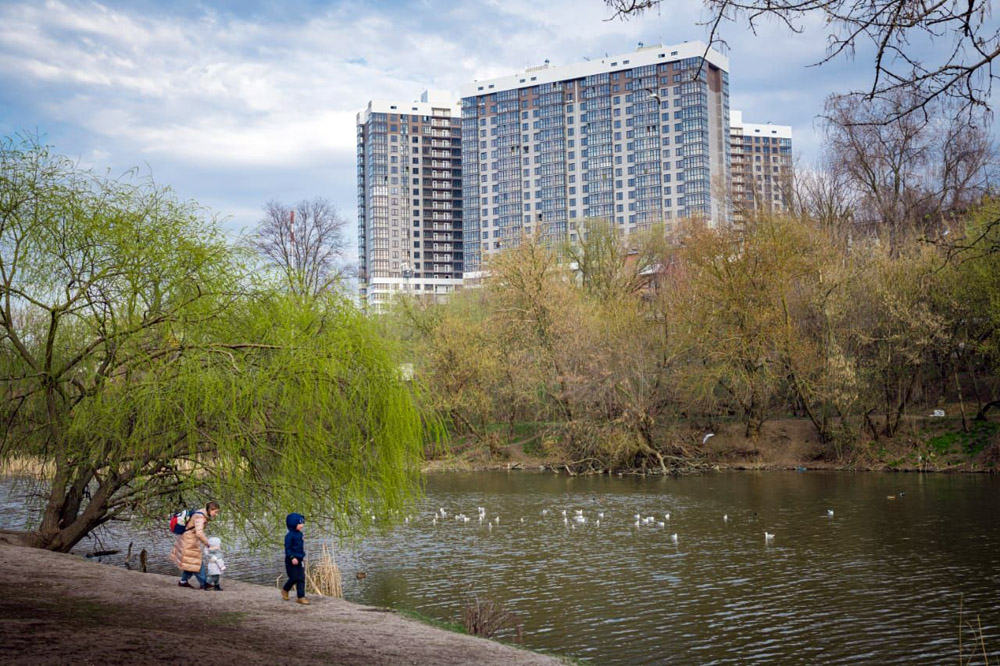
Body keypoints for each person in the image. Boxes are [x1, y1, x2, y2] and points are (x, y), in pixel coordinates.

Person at [170, 501, 220, 589]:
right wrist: (208, 544)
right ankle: (204, 583)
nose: (216, 514)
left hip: (187, 538)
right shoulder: (201, 517)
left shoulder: (202, 512)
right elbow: (199, 533)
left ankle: (183, 581)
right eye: (215, 512)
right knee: (197, 561)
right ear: (210, 510)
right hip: (189, 540)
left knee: (190, 561)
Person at [281, 512, 308, 605]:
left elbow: (299, 546)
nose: (302, 525)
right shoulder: (289, 536)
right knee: (294, 577)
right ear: (293, 524)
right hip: (291, 560)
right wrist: (292, 557)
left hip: (300, 559)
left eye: (302, 523)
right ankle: (285, 589)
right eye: (300, 523)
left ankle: (301, 597)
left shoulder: (299, 534)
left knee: (301, 578)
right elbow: (288, 548)